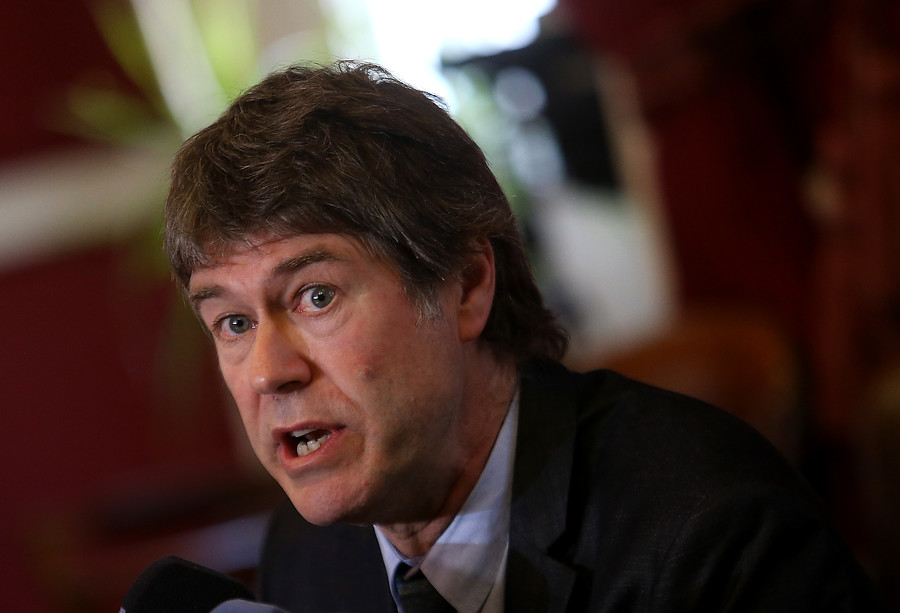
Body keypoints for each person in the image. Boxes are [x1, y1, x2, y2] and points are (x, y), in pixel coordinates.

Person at [163, 61, 883, 612]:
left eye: (316, 296)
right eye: (234, 322)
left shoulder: (711, 535)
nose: (268, 372)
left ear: (467, 287)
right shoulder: (307, 556)